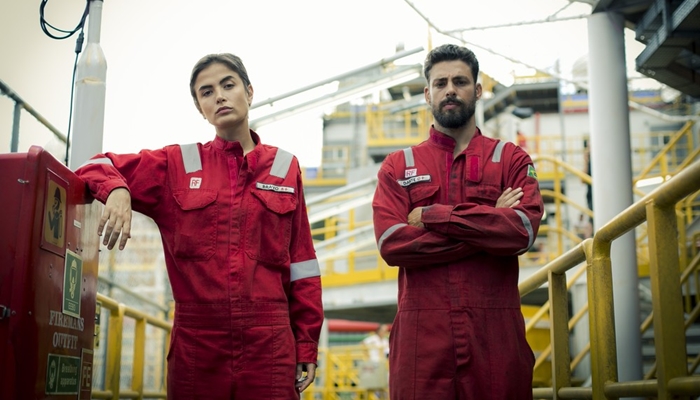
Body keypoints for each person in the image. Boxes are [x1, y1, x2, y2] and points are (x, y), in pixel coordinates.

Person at [75, 53, 323, 399]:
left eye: (228, 84)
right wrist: (116, 189)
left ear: (249, 92)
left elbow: (303, 264)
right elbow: (95, 165)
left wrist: (307, 342)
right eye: (206, 92)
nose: (219, 96)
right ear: (200, 109)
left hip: (269, 344)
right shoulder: (177, 165)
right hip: (198, 346)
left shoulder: (284, 167)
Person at [371, 44, 544, 399]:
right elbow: (392, 243)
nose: (450, 89)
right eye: (440, 83)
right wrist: (490, 223)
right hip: (423, 342)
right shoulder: (398, 166)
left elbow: (522, 231)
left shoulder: (510, 158)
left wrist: (434, 216)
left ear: (477, 90)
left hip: (495, 337)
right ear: (427, 93)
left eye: (460, 81)